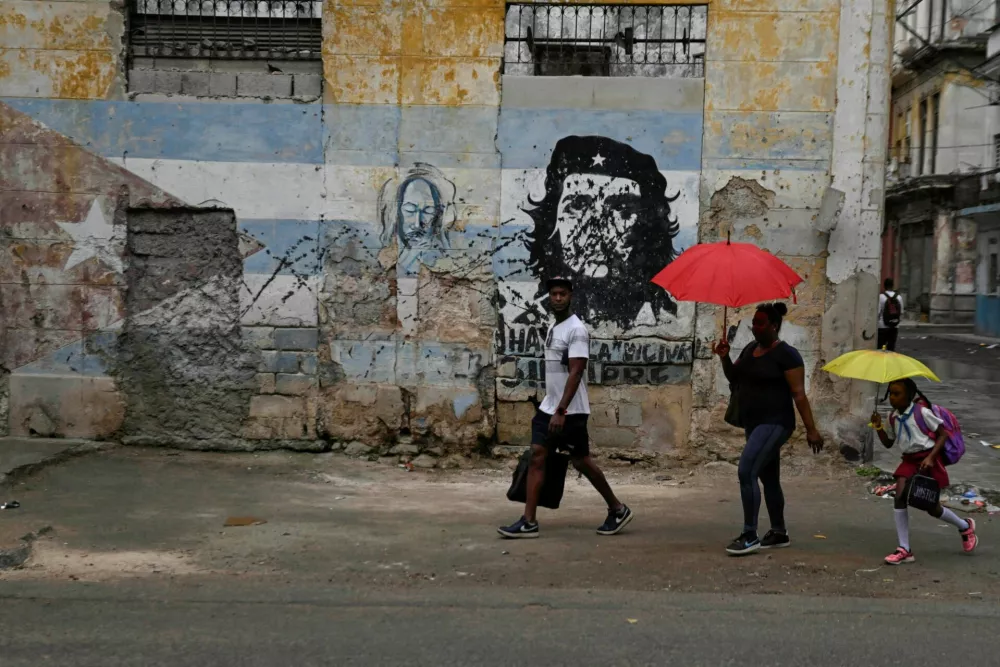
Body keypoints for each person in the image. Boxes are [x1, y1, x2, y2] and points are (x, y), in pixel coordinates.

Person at [498, 277, 634, 539]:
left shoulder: (576, 330)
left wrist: (561, 410)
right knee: (537, 453)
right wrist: (552, 406)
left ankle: (617, 509)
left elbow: (576, 370)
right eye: (553, 294)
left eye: (562, 294)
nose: (557, 298)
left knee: (581, 461)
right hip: (550, 406)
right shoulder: (554, 326)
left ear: (571, 296)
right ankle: (529, 521)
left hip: (570, 410)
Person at [713, 303, 824, 556]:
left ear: (774, 325)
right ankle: (779, 532)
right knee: (769, 478)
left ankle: (749, 534)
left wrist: (811, 430)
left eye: (760, 322)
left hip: (776, 422)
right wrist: (724, 357)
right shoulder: (751, 349)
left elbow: (799, 395)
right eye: (754, 322)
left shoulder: (788, 355)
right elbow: (734, 378)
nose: (754, 327)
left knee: (746, 471)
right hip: (753, 423)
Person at [870, 378, 978, 565]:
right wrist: (878, 426)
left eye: (897, 394)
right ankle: (904, 549)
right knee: (900, 497)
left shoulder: (922, 413)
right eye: (891, 394)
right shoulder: (893, 417)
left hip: (928, 459)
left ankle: (964, 526)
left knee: (931, 507)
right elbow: (888, 443)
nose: (892, 399)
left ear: (910, 396)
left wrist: (930, 458)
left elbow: (943, 434)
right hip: (909, 460)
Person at [877, 278, 903, 351]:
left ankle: (881, 361)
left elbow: (878, 312)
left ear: (884, 286)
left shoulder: (881, 297)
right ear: (893, 286)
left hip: (882, 326)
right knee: (891, 347)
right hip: (894, 326)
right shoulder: (899, 297)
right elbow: (901, 312)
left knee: (880, 347)